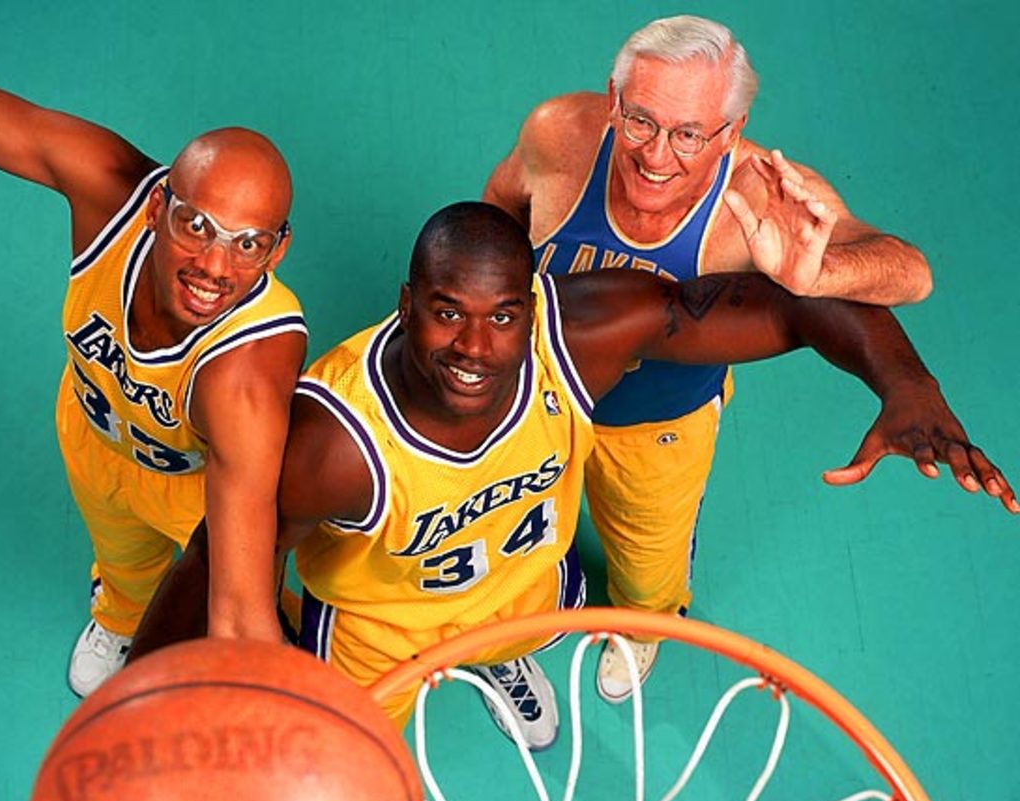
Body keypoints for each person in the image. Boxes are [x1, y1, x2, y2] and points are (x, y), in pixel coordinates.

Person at [129, 202, 1014, 750]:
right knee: (348, 755)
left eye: (502, 316)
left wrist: (906, 381)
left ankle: (498, 665)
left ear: (532, 308)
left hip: (524, 593)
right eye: (447, 314)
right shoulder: (333, 443)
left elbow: (786, 300)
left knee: (522, 633)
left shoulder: (580, 334)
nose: (475, 347)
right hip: (377, 633)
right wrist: (136, 710)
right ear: (408, 307)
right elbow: (218, 554)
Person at [483, 14, 937, 702]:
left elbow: (912, 272)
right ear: (613, 99)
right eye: (640, 120)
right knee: (506, 527)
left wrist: (817, 277)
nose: (657, 155)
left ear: (731, 129)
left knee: (646, 561)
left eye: (689, 133)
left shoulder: (758, 195)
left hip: (657, 426)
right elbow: (497, 207)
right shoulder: (561, 134)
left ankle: (643, 627)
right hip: (532, 395)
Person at [0, 40, 308, 696]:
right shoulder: (108, 188)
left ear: (276, 251)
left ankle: (290, 648)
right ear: (156, 208)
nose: (215, 265)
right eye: (196, 225)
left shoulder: (246, 373)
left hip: (197, 480)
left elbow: (237, 616)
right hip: (92, 433)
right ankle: (118, 615)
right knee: (124, 567)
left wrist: (270, 708)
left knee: (247, 596)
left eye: (248, 244)